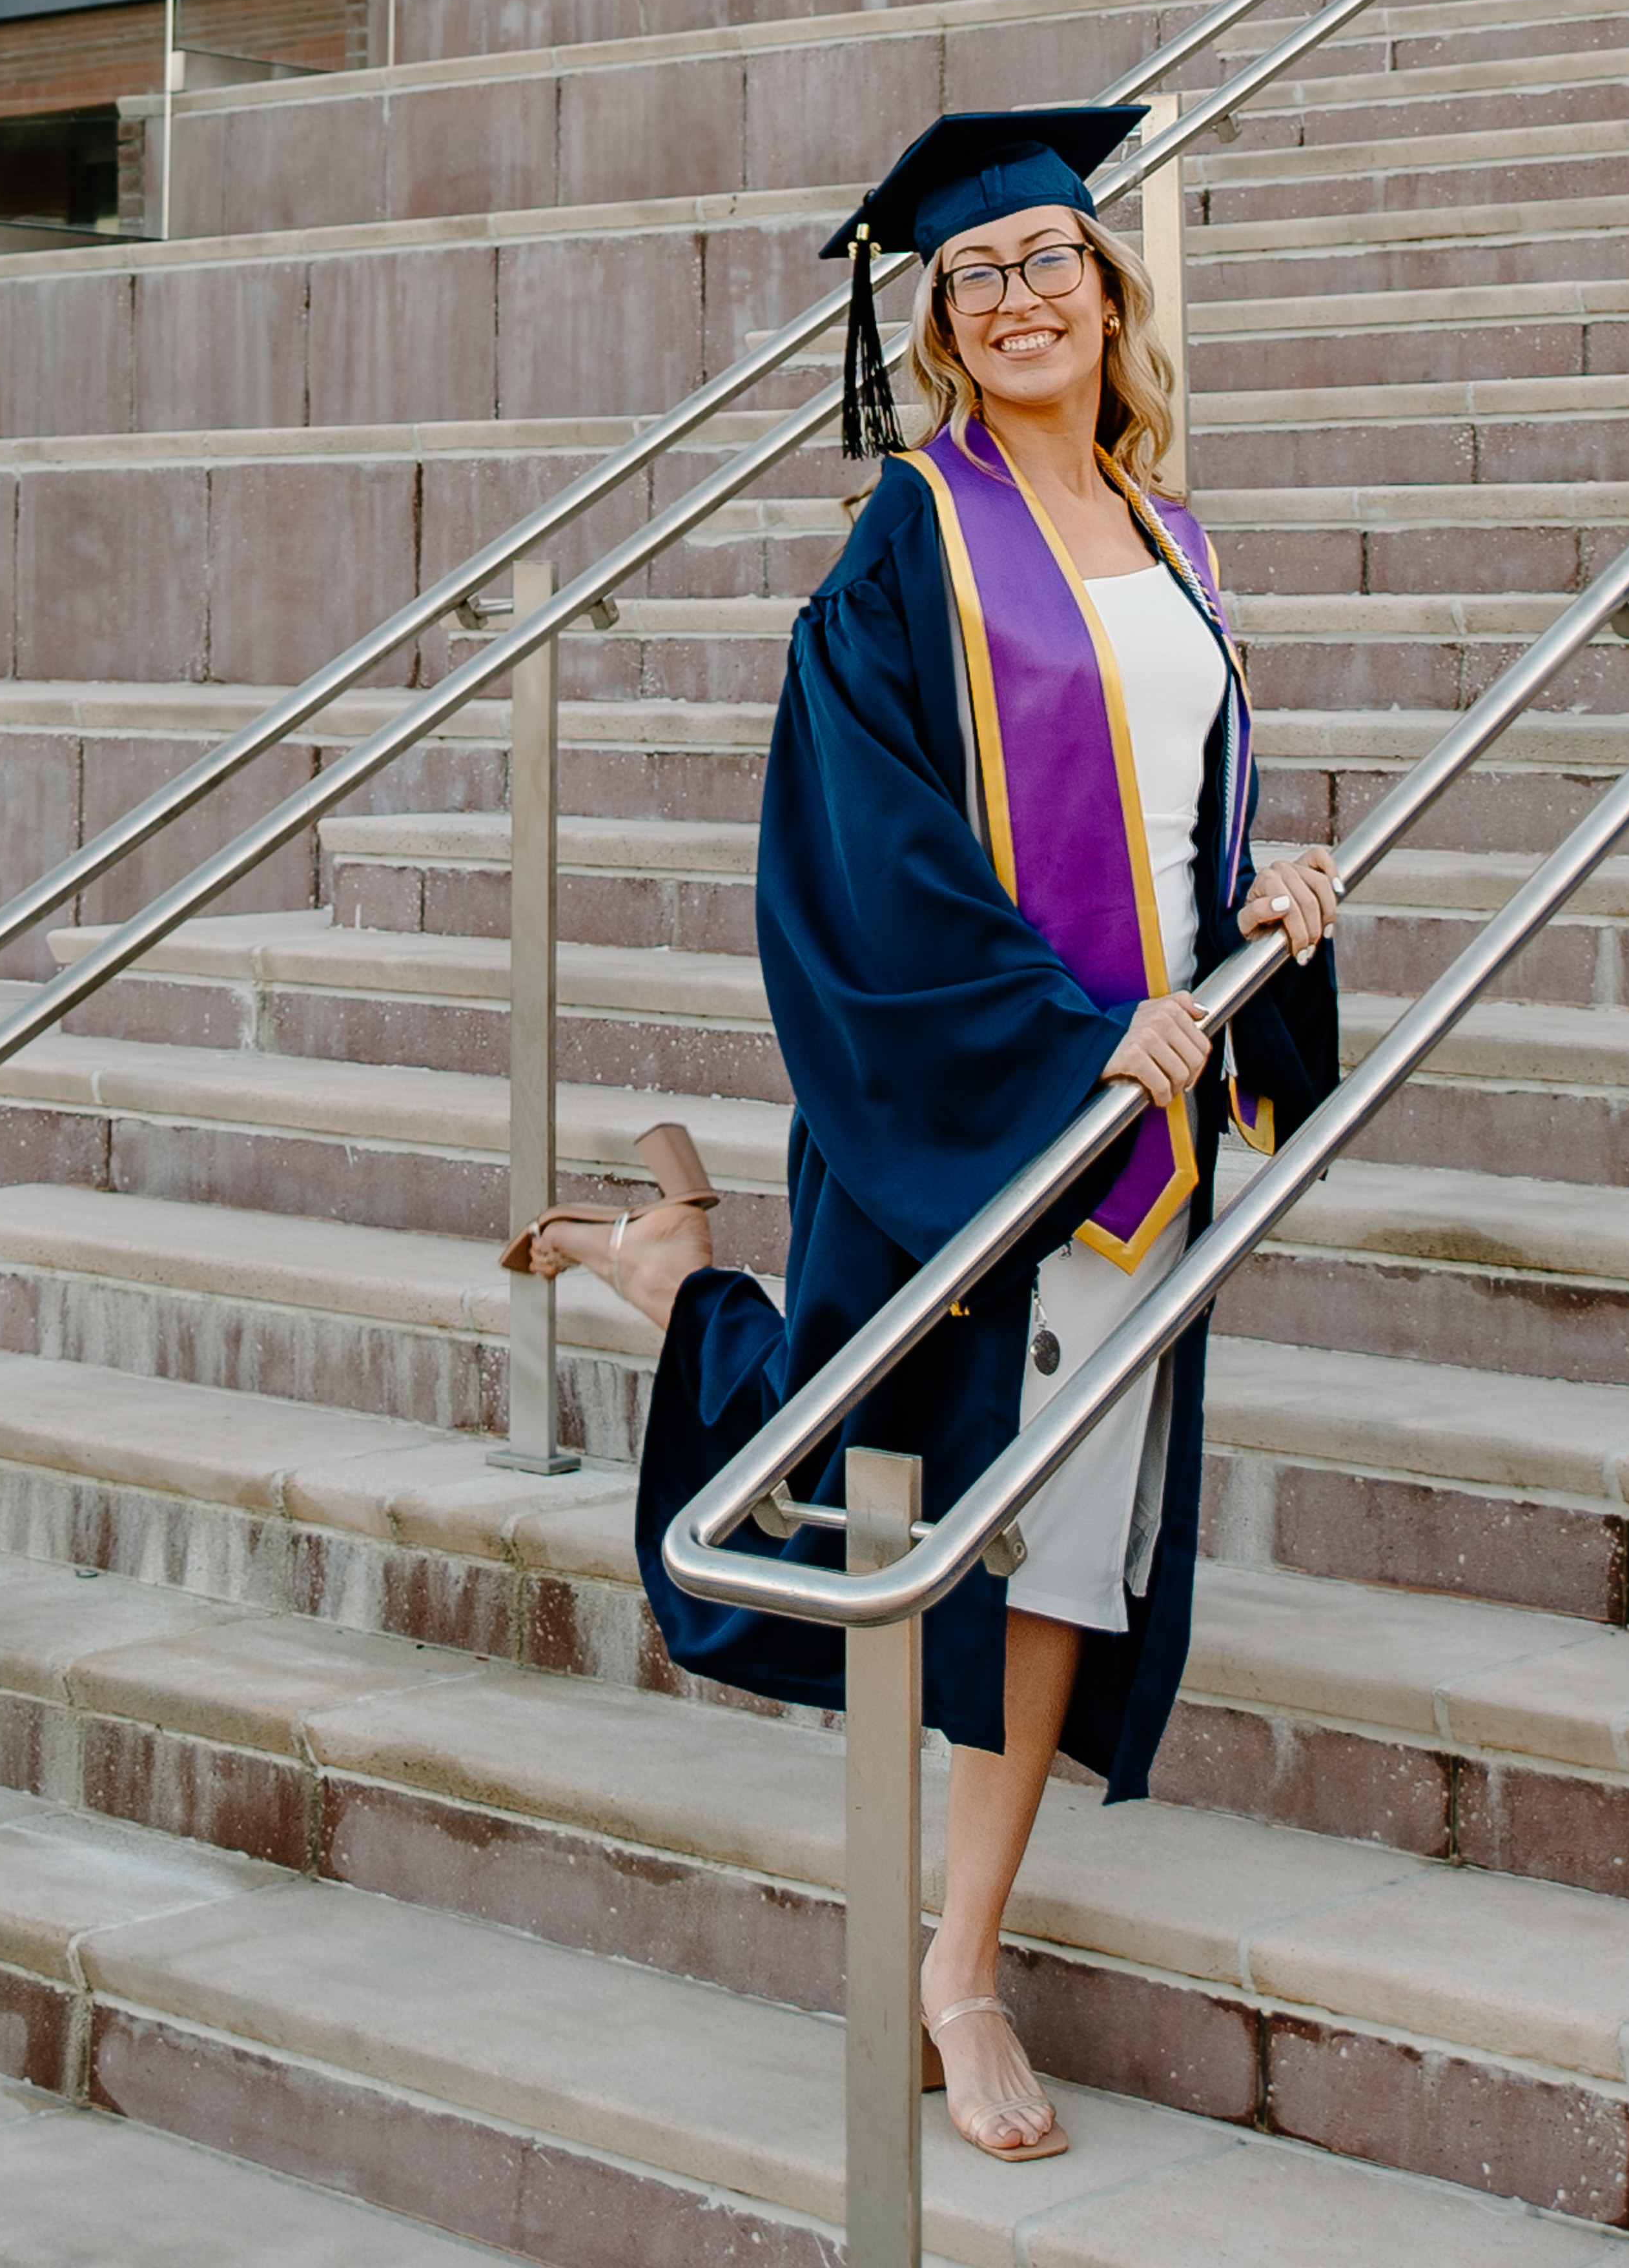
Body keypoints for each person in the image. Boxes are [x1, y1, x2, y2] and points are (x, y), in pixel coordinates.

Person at [517, 108, 1341, 2165]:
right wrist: (1059, 1044)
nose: (1020, 297)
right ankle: (684, 1276)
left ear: (1113, 288)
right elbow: (861, 842)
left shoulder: (1174, 538)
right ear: (945, 333)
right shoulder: (916, 537)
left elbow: (1174, 803)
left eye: (1051, 261)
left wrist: (1259, 898)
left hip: (1146, 1130)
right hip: (999, 1087)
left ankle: (952, 1967)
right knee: (878, 1464)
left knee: (1052, 1542)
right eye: (976, 282)